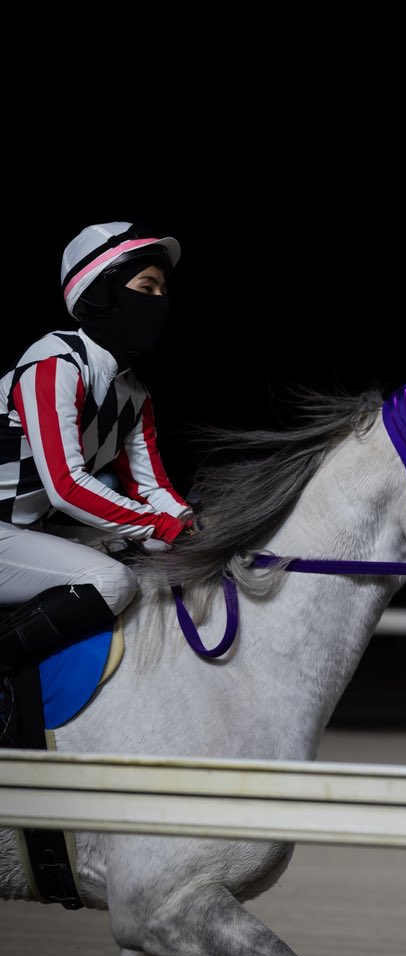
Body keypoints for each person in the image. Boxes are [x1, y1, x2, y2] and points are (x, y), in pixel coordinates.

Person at [0, 221, 194, 738]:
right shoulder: (51, 363)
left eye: (163, 290)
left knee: (150, 557)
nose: (160, 302)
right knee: (112, 580)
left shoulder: (135, 394)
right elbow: (65, 483)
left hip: (30, 534)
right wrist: (158, 527)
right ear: (102, 294)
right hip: (4, 531)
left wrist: (193, 528)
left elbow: (152, 489)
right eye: (146, 288)